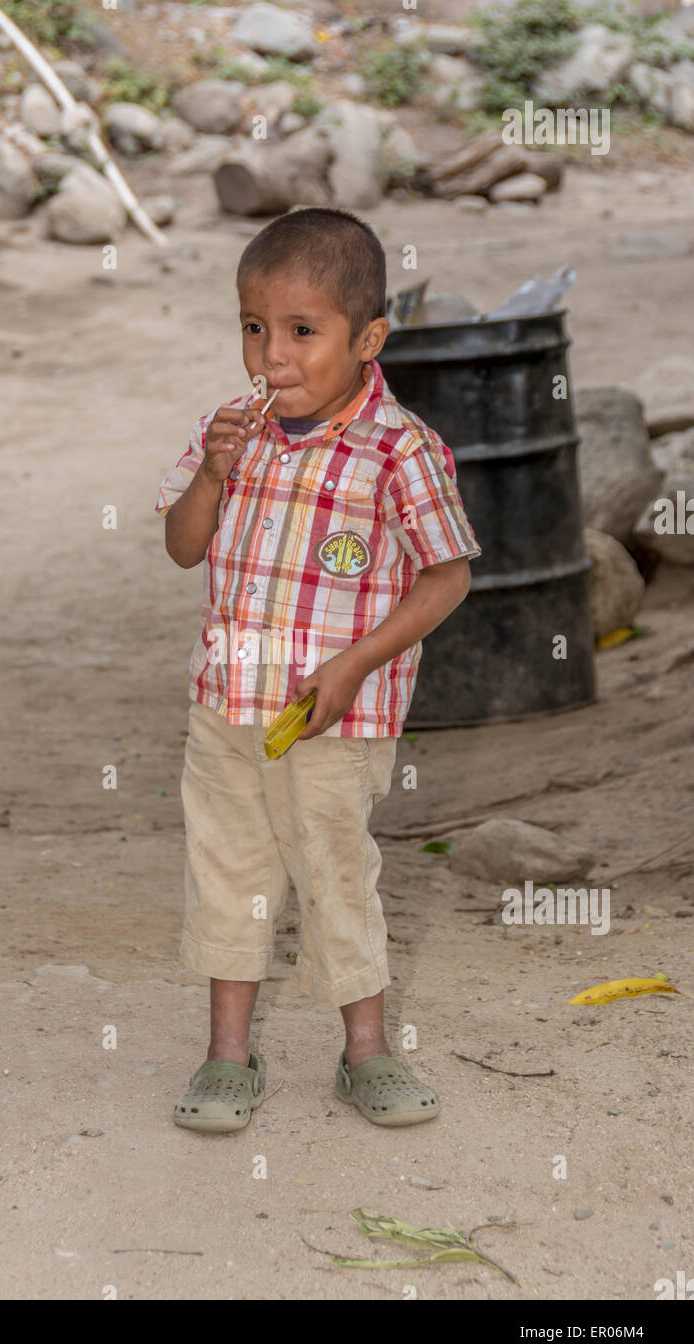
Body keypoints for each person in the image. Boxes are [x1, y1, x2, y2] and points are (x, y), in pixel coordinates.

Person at [154, 207, 481, 1132]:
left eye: (303, 332)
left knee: (336, 871)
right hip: (225, 707)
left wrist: (353, 664)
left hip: (333, 720)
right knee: (226, 869)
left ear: (367, 338)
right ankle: (228, 1054)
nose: (273, 358)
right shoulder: (233, 432)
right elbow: (183, 548)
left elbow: (447, 578)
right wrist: (210, 478)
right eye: (255, 329)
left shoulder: (399, 450)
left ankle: (365, 1053)